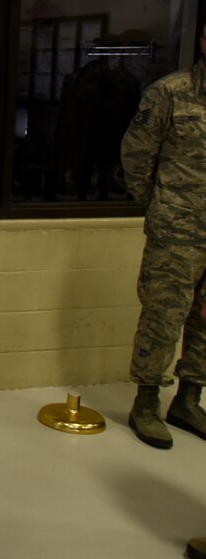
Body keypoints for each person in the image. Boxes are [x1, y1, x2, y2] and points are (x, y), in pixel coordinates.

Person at [121, 25, 206, 450]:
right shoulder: (171, 93)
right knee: (163, 316)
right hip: (179, 230)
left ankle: (189, 399)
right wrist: (163, 207)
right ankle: (148, 402)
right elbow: (137, 155)